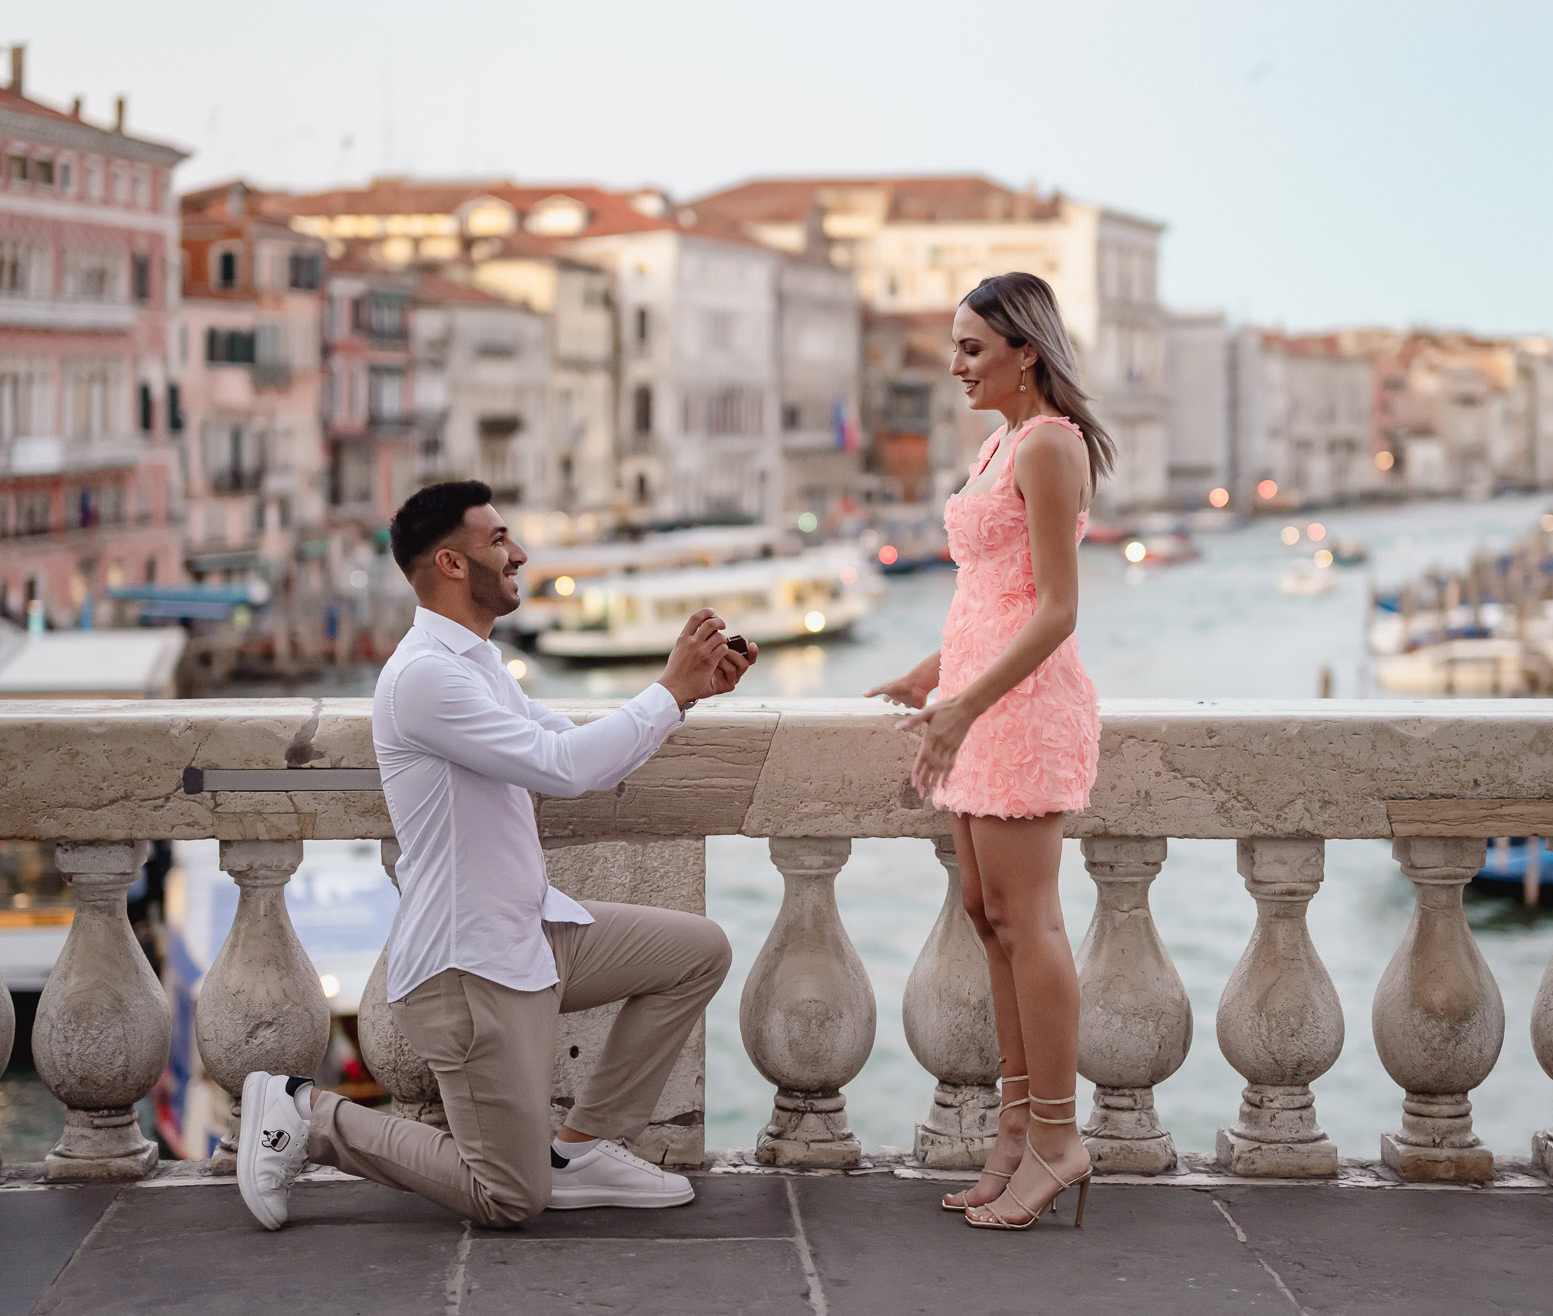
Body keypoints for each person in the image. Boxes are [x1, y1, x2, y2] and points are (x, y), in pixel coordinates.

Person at [235, 480, 755, 1231]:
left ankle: (579, 1148)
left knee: (697, 952)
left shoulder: (475, 662)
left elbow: (574, 746)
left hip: (527, 933)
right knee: (507, 1198)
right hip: (467, 966)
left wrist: (687, 695)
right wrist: (667, 689)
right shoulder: (425, 677)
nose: (518, 553)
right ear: (450, 562)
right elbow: (565, 769)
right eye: (498, 540)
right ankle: (304, 1112)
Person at [866, 273, 1110, 1231]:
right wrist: (930, 675)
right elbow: (991, 589)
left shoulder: (1050, 444)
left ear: (1026, 355)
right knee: (988, 912)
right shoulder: (1000, 441)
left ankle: (1059, 1140)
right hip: (971, 701)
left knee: (1031, 919)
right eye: (955, 345)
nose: (956, 364)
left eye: (972, 348)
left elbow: (1056, 608)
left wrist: (962, 704)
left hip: (1016, 710)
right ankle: (1016, 1134)